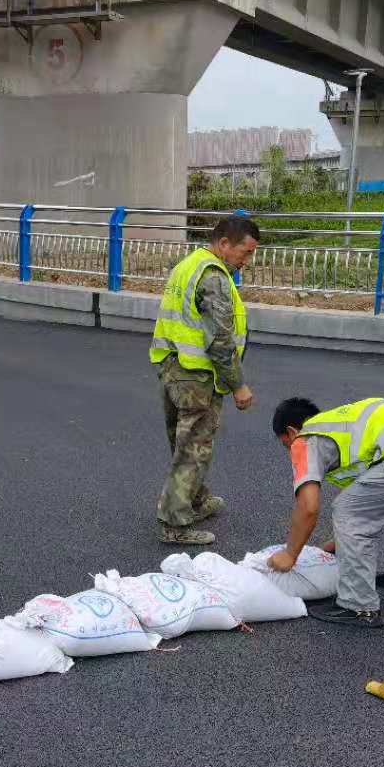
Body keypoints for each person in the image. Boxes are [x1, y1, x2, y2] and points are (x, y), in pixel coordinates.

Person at [265, 396, 384, 628]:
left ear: (291, 432)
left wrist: (290, 555)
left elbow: (308, 507)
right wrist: (338, 542)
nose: (289, 451)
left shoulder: (306, 438)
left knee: (347, 510)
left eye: (285, 444)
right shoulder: (344, 427)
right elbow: (372, 502)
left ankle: (358, 605)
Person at [149, 215, 259, 545]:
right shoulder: (214, 278)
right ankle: (175, 524)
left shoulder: (189, 265)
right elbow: (219, 340)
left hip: (172, 368)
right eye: (246, 252)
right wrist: (238, 385)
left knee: (184, 444)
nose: (248, 260)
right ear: (224, 243)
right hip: (197, 376)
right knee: (194, 449)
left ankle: (196, 499)